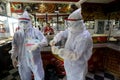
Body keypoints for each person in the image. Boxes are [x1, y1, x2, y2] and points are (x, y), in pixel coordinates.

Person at [50, 8, 93, 80]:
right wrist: (55, 39)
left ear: (77, 23)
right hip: (69, 64)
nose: (69, 25)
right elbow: (63, 33)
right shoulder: (73, 30)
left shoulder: (84, 37)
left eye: (70, 24)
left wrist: (59, 51)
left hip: (78, 67)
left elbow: (75, 56)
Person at [9, 11, 48, 80]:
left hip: (34, 58)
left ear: (29, 22)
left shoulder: (35, 31)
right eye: (21, 22)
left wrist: (37, 45)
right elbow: (15, 46)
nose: (23, 24)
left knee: (39, 76)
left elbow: (45, 41)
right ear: (19, 22)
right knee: (24, 77)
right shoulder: (17, 34)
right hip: (22, 59)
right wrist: (13, 57)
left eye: (25, 22)